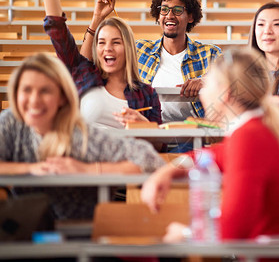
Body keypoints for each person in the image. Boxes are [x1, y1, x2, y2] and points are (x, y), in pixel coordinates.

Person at [140, 48, 279, 253]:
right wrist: (169, 170)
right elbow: (212, 155)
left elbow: (232, 233)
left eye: (207, 84)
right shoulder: (253, 129)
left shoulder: (249, 138)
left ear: (224, 92)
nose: (202, 93)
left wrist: (184, 235)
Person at [0, 53, 165, 220]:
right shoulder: (10, 123)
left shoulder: (80, 135)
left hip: (77, 236)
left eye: (45, 91)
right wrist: (29, 169)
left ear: (62, 97)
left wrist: (87, 170)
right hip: (22, 234)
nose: (34, 100)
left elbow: (150, 160)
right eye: (26, 90)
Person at [41, 0, 162, 129]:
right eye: (102, 42)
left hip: (127, 153)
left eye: (116, 42)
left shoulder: (147, 93)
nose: (108, 48)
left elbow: (159, 143)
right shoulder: (84, 74)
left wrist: (145, 126)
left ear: (128, 48)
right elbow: (56, 27)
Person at [81, 0, 222, 122]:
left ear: (190, 17)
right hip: (148, 133)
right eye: (164, 10)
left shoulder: (210, 54)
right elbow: (82, 67)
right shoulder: (139, 50)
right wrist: (97, 18)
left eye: (177, 10)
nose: (170, 15)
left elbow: (234, 84)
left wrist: (206, 82)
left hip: (194, 137)